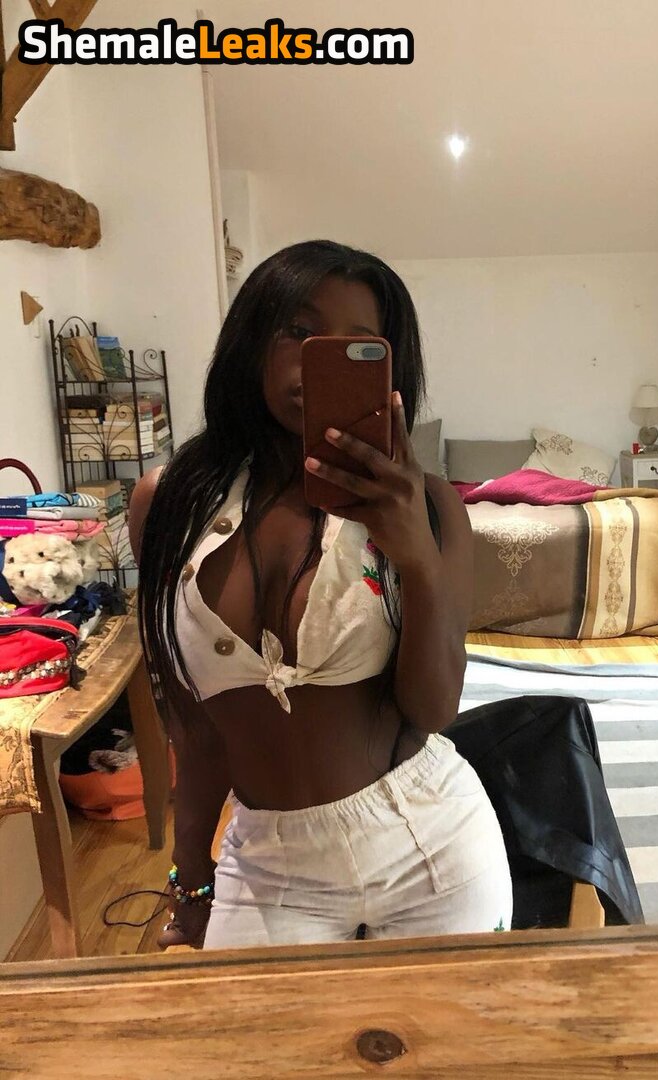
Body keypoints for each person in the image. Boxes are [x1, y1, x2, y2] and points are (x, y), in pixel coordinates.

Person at [129, 240, 512, 950]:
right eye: (298, 331)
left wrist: (415, 555)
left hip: (430, 845)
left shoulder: (429, 504)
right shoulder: (169, 504)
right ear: (251, 339)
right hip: (270, 866)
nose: (315, 362)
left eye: (356, 346)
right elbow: (193, 726)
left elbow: (433, 709)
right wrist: (190, 880)